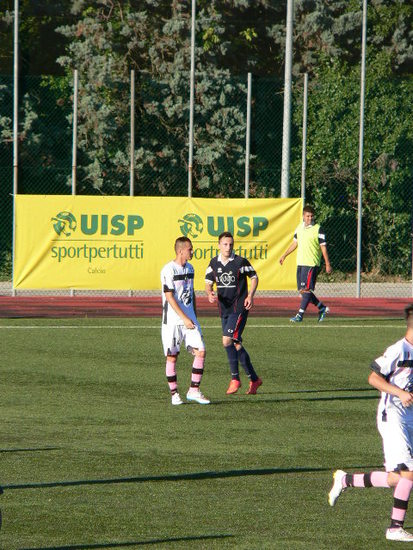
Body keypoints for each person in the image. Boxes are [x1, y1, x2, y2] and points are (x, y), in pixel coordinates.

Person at [328, 304, 413, 542]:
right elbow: (374, 378)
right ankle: (394, 528)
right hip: (392, 415)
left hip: (409, 416)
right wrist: (399, 392)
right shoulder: (398, 349)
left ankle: (345, 480)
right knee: (410, 472)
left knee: (396, 479)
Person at [205, 231, 262, 395]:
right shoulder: (213, 263)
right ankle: (254, 379)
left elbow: (254, 277)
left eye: (230, 244)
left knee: (226, 340)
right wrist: (209, 293)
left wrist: (250, 295)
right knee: (236, 344)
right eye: (225, 244)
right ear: (219, 245)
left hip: (239, 308)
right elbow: (208, 283)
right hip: (224, 309)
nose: (228, 247)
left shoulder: (240, 262)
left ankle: (235, 379)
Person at [161, 237, 210, 405]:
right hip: (173, 321)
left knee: (201, 351)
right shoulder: (168, 270)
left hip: (189, 319)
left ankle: (194, 390)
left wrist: (193, 315)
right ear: (180, 251)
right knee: (172, 357)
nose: (192, 251)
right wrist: (184, 318)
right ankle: (174, 394)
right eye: (190, 249)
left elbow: (191, 292)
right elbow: (169, 297)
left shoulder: (190, 268)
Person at [279, 204, 332, 323]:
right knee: (303, 291)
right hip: (301, 263)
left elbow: (323, 248)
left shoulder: (318, 229)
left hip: (311, 264)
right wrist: (284, 255)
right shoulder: (299, 228)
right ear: (303, 216)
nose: (310, 218)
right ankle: (322, 308)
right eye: (307, 216)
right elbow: (295, 243)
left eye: (311, 216)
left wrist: (327, 264)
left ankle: (300, 315)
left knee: (306, 290)